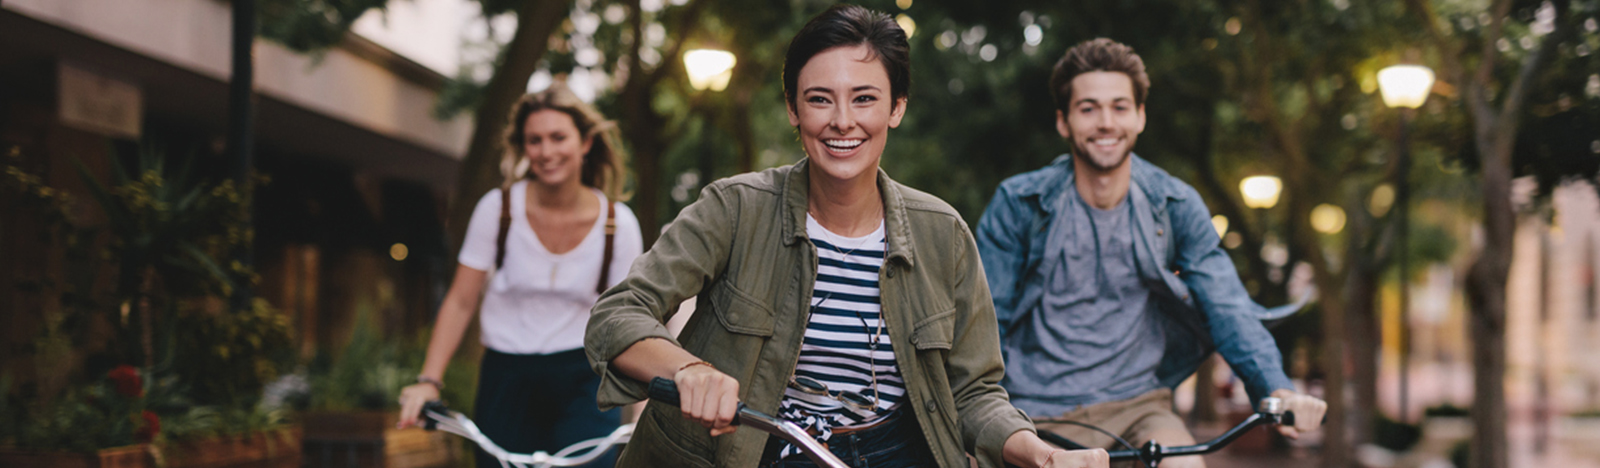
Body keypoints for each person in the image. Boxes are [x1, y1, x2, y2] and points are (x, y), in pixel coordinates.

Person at [584, 5, 1107, 468]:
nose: (841, 122)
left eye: (863, 99)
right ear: (793, 108)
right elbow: (617, 316)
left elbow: (973, 393)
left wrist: (1039, 451)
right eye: (818, 99)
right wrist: (690, 371)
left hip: (896, 449)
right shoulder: (735, 207)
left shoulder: (942, 233)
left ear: (895, 108)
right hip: (758, 445)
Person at [974, 38, 1327, 468]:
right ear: (1064, 122)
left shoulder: (1175, 205)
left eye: (1120, 107)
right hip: (1034, 410)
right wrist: (999, 425)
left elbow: (1228, 305)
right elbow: (986, 326)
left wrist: (1277, 389)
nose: (1106, 122)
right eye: (1088, 108)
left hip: (1141, 406)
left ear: (1140, 116)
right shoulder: (1019, 204)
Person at [396, 82, 643, 468]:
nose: (546, 152)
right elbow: (461, 300)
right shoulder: (497, 210)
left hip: (585, 377)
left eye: (558, 137)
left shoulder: (618, 224)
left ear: (586, 143)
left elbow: (631, 319)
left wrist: (645, 405)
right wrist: (429, 381)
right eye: (534, 140)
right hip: (506, 377)